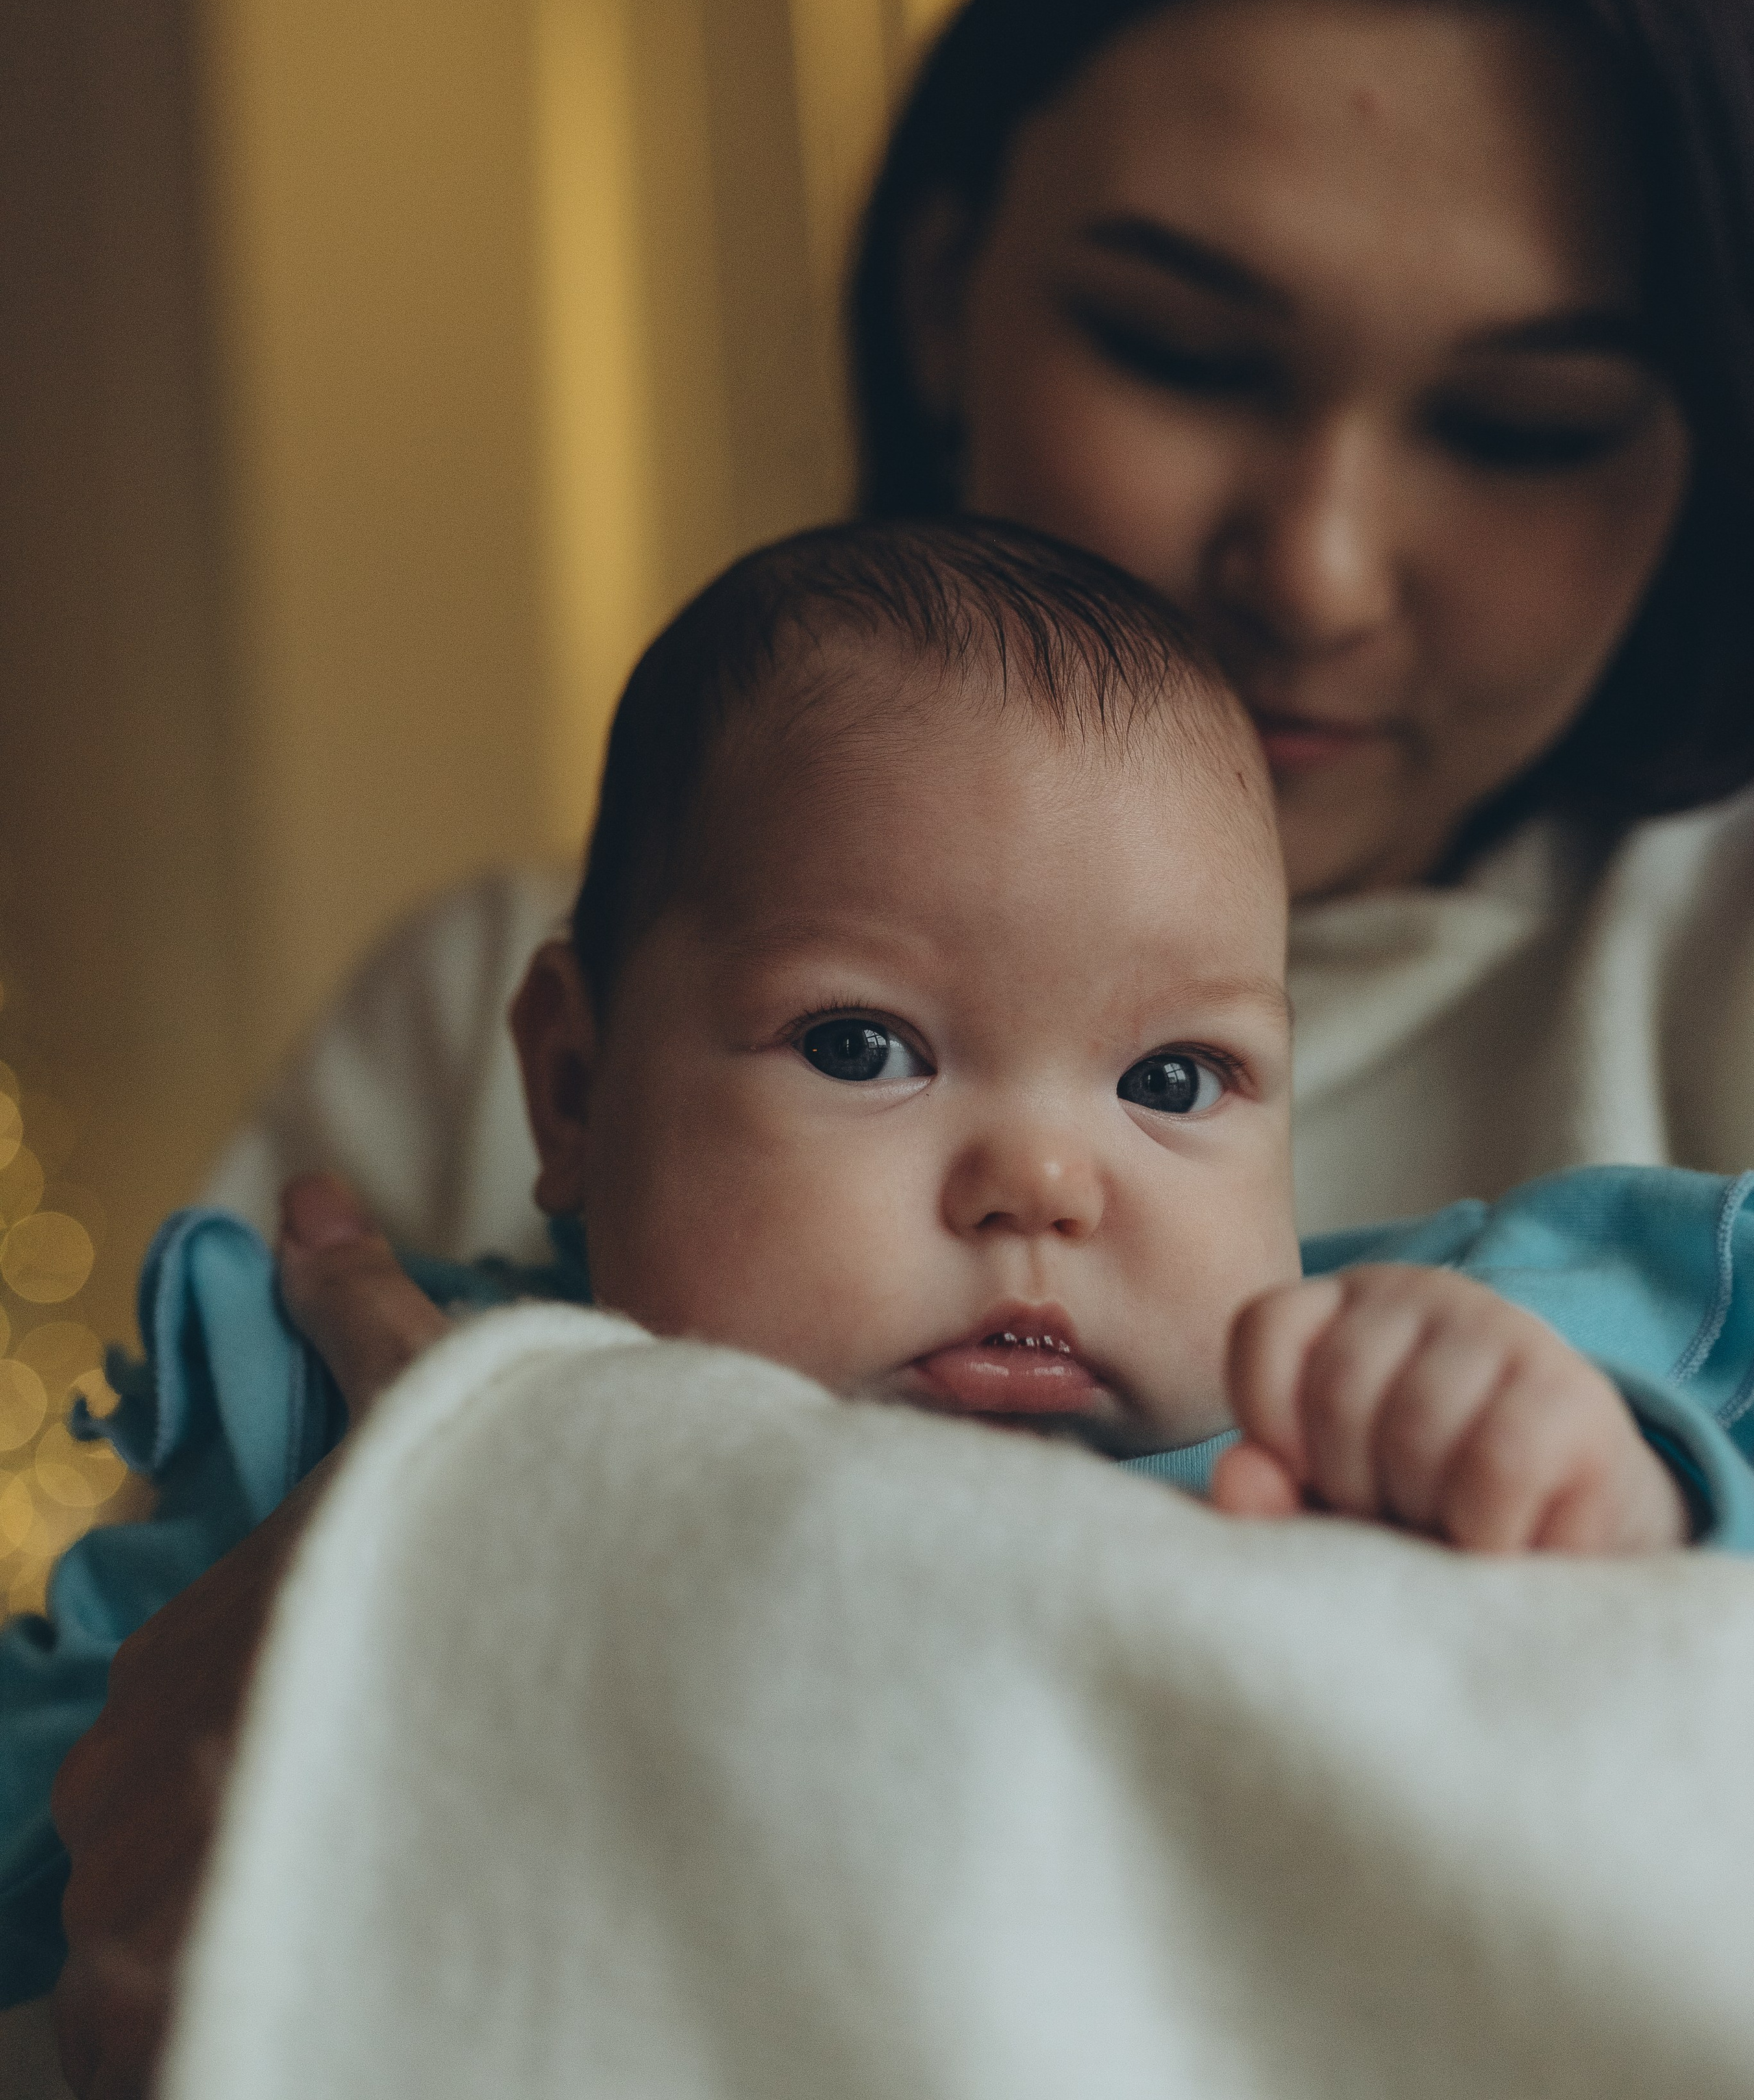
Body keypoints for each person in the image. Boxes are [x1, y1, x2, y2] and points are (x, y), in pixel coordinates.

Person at [46, 0, 1754, 2090]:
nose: (1325, 565)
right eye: (1175, 345)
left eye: (1527, 424)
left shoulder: (1673, 1050)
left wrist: (515, 1588)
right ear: (949, 277)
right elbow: (113, 1835)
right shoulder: (484, 1008)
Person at [23, 519, 1754, 2037]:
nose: (1042, 1182)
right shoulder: (365, 1411)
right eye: (863, 1044)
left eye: (1170, 1080)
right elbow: (59, 1820)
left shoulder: (1378, 1377)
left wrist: (1612, 1491)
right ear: (570, 1081)